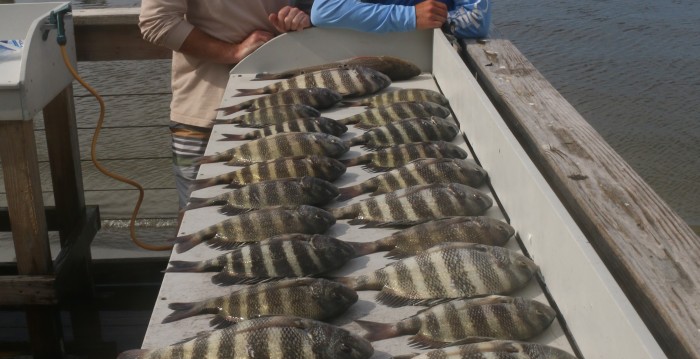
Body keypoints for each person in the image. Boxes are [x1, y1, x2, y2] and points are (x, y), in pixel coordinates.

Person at [139, 1, 311, 211]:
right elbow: (156, 21)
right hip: (203, 120)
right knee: (196, 221)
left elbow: (320, 8)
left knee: (280, 219)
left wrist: (303, 17)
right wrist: (233, 52)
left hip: (286, 116)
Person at [310, 0, 490, 38]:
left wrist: (435, 19)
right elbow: (324, 10)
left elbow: (477, 19)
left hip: (438, 57)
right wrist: (411, 16)